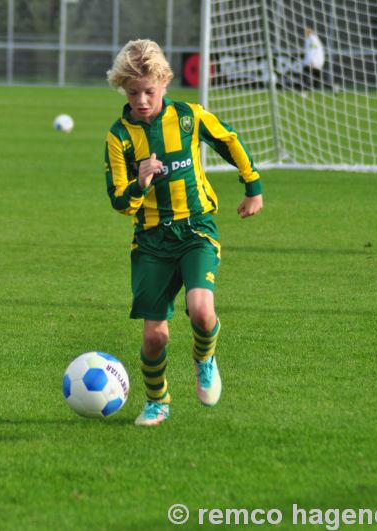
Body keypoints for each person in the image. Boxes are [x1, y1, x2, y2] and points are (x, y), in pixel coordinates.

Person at [104, 39, 263, 426]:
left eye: (149, 92)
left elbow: (228, 139)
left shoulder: (189, 117)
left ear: (163, 83)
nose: (142, 100)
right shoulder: (119, 137)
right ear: (123, 89)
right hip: (151, 242)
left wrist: (252, 185)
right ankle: (158, 401)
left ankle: (204, 357)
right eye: (133, 92)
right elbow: (120, 202)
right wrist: (140, 184)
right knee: (155, 337)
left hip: (196, 229)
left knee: (202, 311)